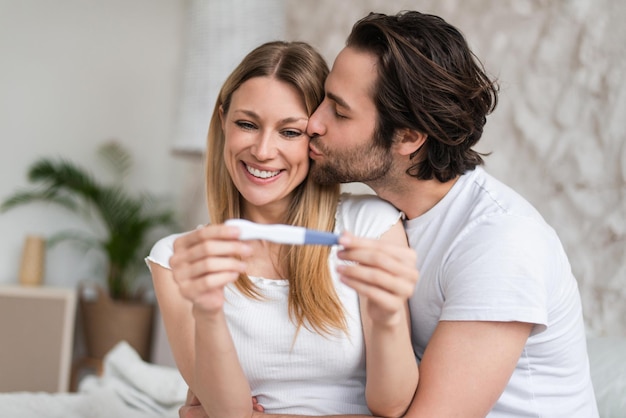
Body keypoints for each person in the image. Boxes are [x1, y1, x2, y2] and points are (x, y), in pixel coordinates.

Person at [180, 10, 599, 418]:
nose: (313, 123)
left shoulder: (499, 242)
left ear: (408, 138)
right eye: (324, 97)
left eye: (339, 111)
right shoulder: (383, 221)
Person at [146, 40, 419, 418]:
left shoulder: (368, 225)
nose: (262, 150)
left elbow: (391, 405)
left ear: (316, 137)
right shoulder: (178, 259)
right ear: (223, 121)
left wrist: (388, 315)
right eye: (247, 124)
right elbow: (229, 413)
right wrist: (208, 311)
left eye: (290, 132)